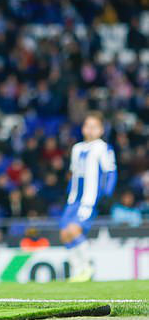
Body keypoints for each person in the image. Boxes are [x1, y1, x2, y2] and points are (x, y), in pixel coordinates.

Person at [59, 111, 117, 282]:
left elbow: (111, 172)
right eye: (87, 126)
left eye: (94, 127)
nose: (90, 130)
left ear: (101, 130)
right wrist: (69, 192)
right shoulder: (77, 148)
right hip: (74, 199)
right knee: (64, 233)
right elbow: (73, 173)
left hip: (89, 199)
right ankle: (78, 271)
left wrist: (107, 194)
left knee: (74, 230)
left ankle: (87, 267)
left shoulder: (103, 147)